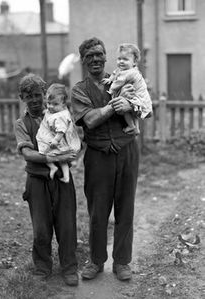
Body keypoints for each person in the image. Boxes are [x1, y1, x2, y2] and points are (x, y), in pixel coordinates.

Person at [71, 37, 152, 281]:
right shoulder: (79, 90)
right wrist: (114, 106)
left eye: (99, 54)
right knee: (98, 210)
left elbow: (144, 109)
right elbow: (91, 120)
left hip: (127, 150)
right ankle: (96, 261)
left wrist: (130, 102)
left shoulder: (123, 77)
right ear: (83, 61)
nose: (95, 59)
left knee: (125, 208)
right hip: (98, 156)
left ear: (106, 56)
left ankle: (122, 262)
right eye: (89, 56)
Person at [14, 73, 79, 286]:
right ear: (22, 97)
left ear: (44, 94)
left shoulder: (59, 113)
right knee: (41, 228)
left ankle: (69, 267)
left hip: (62, 179)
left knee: (67, 225)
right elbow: (28, 155)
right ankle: (42, 267)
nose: (34, 100)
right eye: (28, 96)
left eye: (37, 95)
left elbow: (73, 140)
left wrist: (69, 153)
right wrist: (57, 156)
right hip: (37, 181)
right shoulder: (21, 123)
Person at [102, 43, 152, 135]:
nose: (121, 61)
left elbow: (118, 83)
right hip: (136, 96)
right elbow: (115, 73)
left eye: (125, 59)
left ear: (134, 62)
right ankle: (136, 128)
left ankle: (132, 126)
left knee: (125, 109)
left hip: (139, 97)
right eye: (119, 59)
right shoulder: (124, 70)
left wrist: (111, 90)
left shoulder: (129, 73)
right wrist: (110, 79)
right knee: (132, 112)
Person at [36, 83, 81, 183]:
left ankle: (52, 167)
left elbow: (61, 130)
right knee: (62, 160)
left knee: (44, 152)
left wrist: (56, 140)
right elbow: (48, 113)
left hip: (58, 140)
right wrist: (45, 112)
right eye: (49, 103)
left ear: (64, 104)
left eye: (55, 104)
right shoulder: (55, 111)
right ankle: (66, 177)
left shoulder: (61, 116)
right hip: (61, 143)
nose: (51, 107)